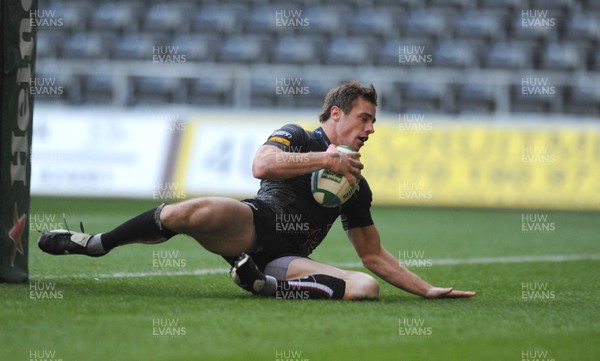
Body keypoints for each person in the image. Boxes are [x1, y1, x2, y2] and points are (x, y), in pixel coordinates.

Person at [39, 81, 476, 301]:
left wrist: (426, 289)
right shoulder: (296, 136)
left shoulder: (355, 185)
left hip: (287, 261)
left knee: (365, 289)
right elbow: (260, 165)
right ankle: (97, 244)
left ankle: (262, 284)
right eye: (364, 119)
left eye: (373, 121)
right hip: (252, 226)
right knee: (196, 210)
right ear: (337, 114)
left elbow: (372, 257)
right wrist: (325, 159)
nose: (371, 128)